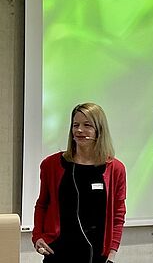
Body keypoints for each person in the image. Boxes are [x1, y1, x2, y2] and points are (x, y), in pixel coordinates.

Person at [32, 103, 126, 263]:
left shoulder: (115, 169)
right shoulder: (52, 164)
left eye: (87, 125)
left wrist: (112, 252)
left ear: (99, 130)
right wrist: (37, 236)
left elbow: (118, 214)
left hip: (97, 255)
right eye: (75, 125)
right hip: (58, 253)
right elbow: (42, 204)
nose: (79, 130)